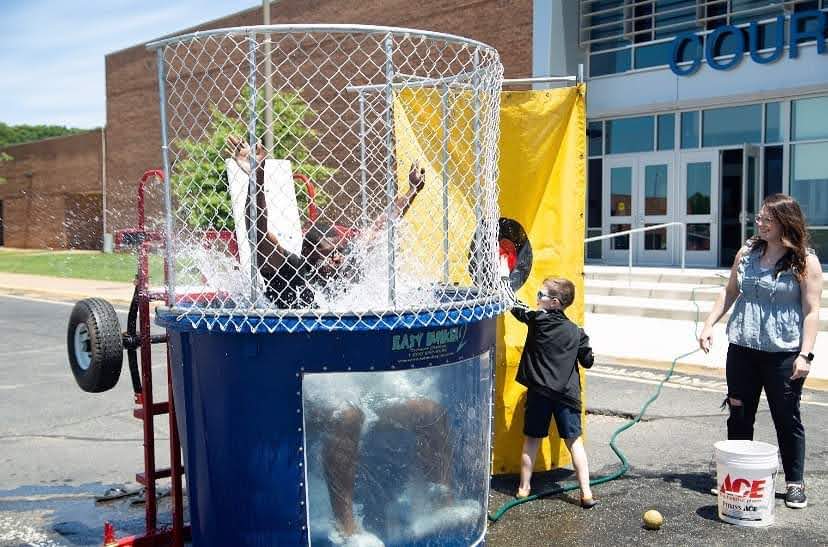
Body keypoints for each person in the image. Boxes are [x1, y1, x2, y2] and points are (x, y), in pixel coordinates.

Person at [699, 193, 822, 509]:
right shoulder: (747, 253)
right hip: (742, 348)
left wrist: (805, 355)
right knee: (739, 412)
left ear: (785, 222)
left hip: (783, 353)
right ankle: (737, 476)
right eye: (760, 217)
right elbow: (729, 293)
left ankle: (794, 482)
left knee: (786, 416)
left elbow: (811, 312)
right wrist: (708, 324)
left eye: (767, 218)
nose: (760, 223)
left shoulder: (806, 261)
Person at [225, 135, 426, 308]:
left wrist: (412, 191)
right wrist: (256, 178)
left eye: (338, 251)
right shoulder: (290, 272)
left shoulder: (346, 265)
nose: (337, 258)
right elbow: (257, 234)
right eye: (328, 254)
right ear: (307, 256)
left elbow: (381, 226)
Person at [511, 277, 597, 508]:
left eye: (541, 296)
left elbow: (515, 309)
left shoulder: (538, 320)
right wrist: (586, 346)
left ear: (555, 303)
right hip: (567, 396)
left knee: (532, 440)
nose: (537, 299)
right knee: (574, 442)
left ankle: (523, 488)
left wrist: (503, 281)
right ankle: (586, 493)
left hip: (540, 392)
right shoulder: (577, 332)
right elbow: (587, 361)